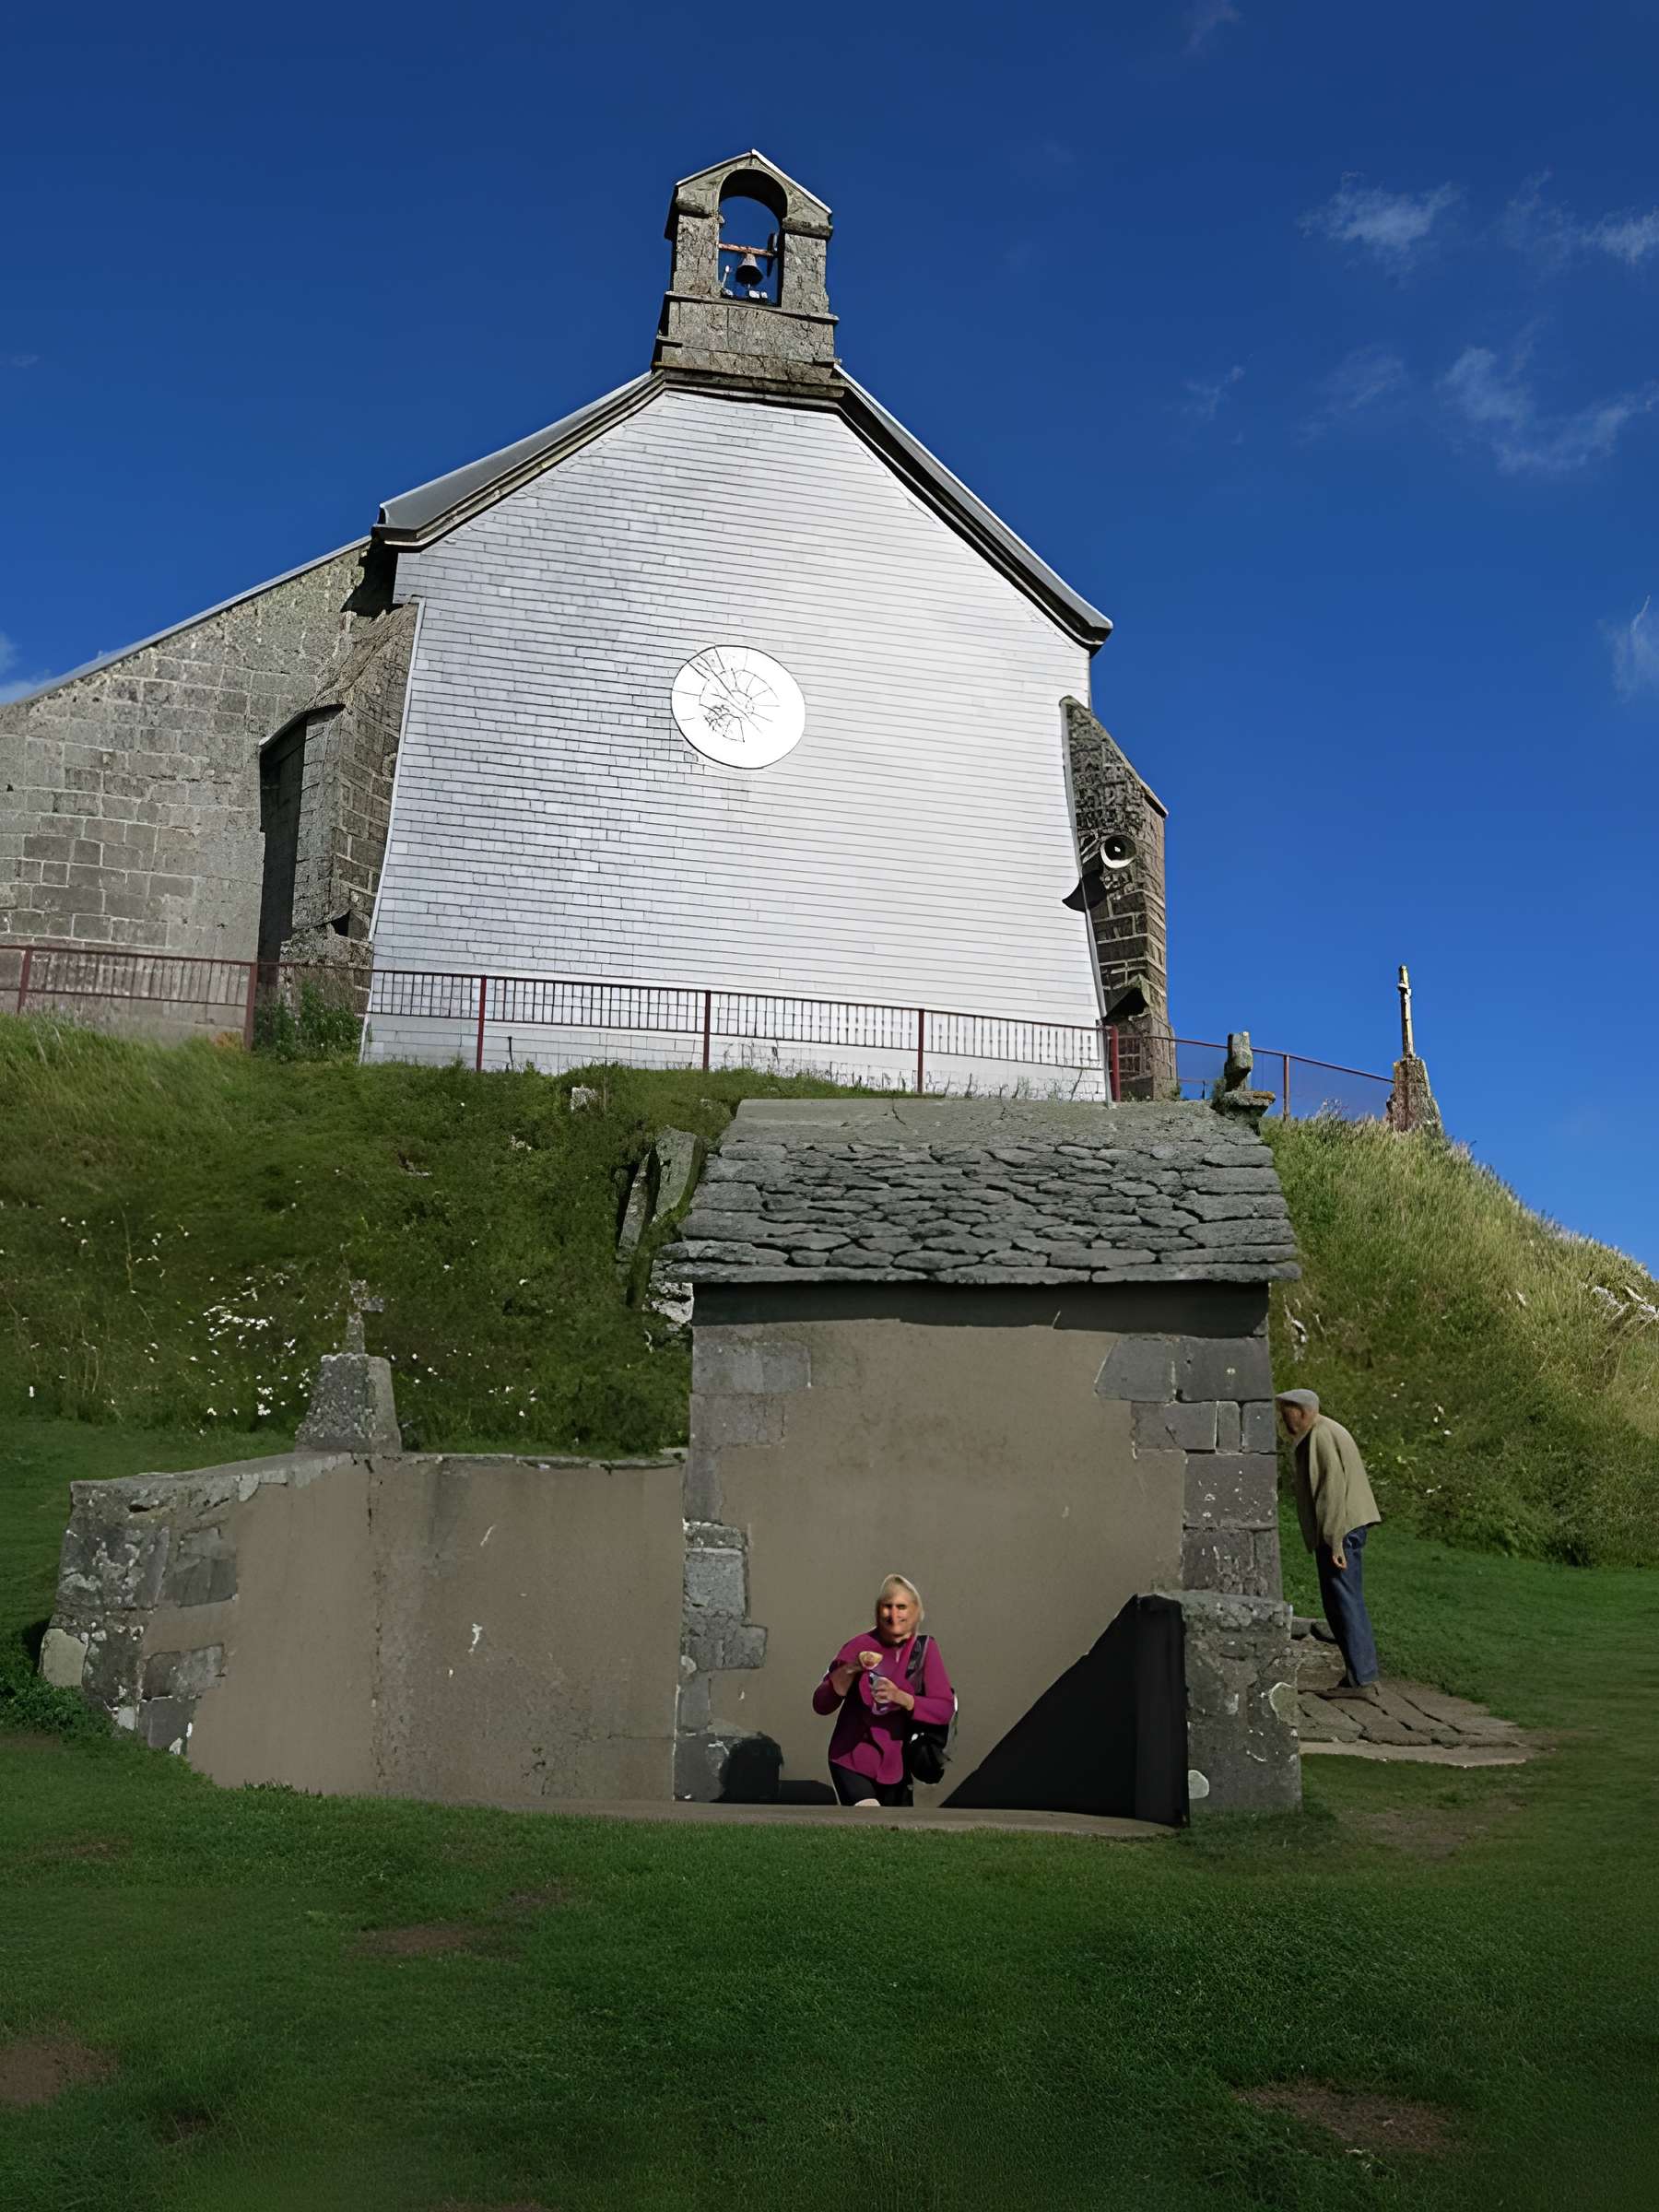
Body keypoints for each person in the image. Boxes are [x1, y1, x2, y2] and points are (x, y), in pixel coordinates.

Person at [1277, 1389, 1383, 1701]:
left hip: (1343, 1529)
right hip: (1345, 1528)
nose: (1284, 1419)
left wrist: (1335, 1542)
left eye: (1288, 1412)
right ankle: (1357, 1676)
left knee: (1345, 1602)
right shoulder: (1321, 1431)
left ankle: (1363, 1679)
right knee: (1339, 1603)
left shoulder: (1321, 1435)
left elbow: (1332, 1491)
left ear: (1304, 1411)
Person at [812, 1573, 956, 1806]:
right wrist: (851, 1670)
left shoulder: (925, 1650)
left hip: (897, 1766)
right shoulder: (858, 1647)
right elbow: (821, 1703)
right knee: (869, 1823)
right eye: (887, 1606)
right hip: (853, 1758)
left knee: (895, 1835)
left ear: (915, 1612)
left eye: (902, 1607)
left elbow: (944, 1708)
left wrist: (904, 1699)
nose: (894, 1614)